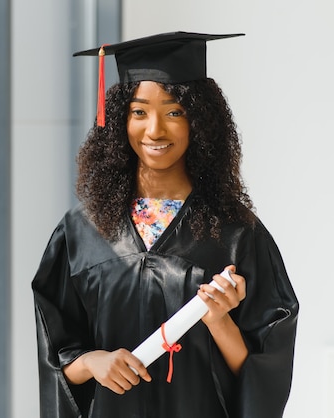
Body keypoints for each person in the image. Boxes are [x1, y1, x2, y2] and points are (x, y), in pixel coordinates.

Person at [31, 31, 299, 418]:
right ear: (120, 120)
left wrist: (219, 321)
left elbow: (265, 375)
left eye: (174, 112)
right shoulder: (81, 232)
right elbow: (56, 357)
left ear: (200, 122)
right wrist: (92, 362)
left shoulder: (236, 234)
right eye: (139, 112)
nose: (154, 129)